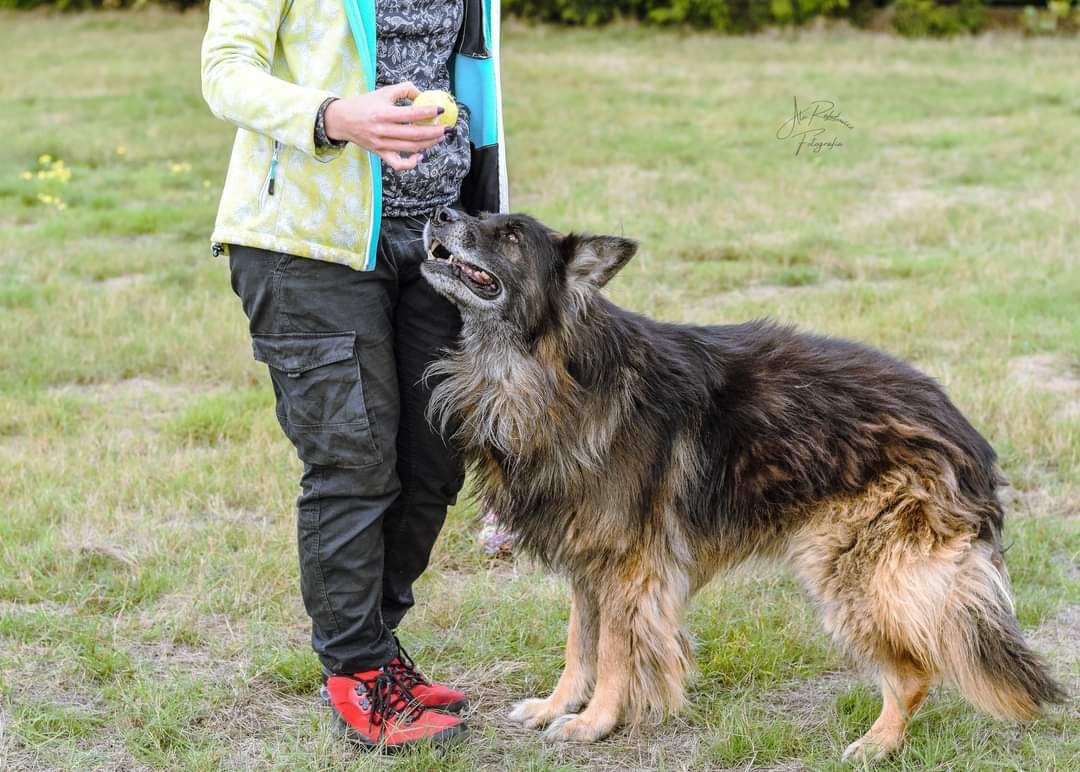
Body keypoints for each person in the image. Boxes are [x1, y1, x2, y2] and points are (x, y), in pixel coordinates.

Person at [201, 0, 508, 750]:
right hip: (305, 245)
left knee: (433, 464)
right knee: (356, 462)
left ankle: (378, 645)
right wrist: (335, 115)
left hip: (440, 242)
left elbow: (474, 82)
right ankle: (357, 671)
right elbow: (224, 72)